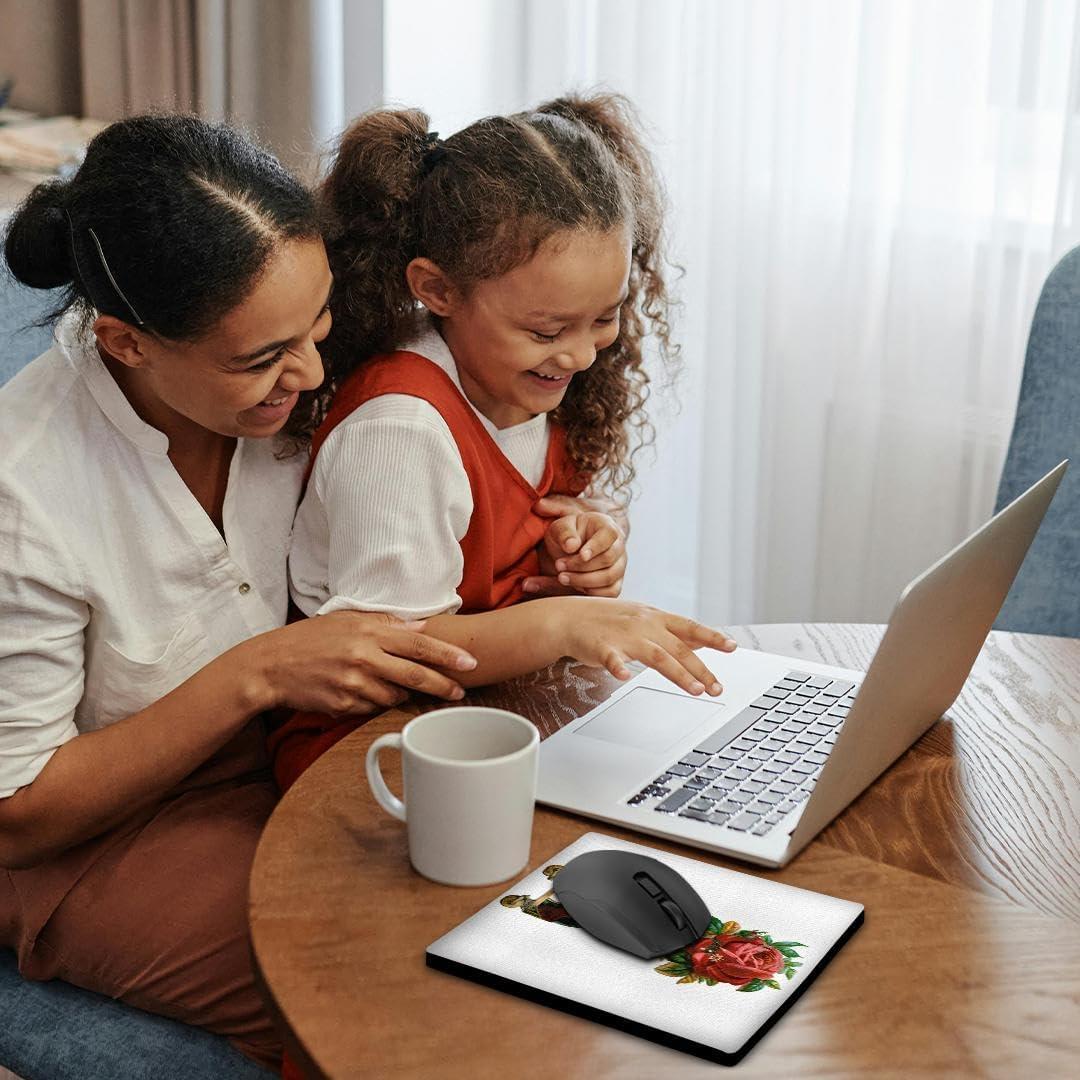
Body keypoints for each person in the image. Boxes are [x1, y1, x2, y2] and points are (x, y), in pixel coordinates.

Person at [0, 114, 477, 1071]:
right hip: (95, 841)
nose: (307, 374)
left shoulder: (294, 384)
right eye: (261, 358)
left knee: (504, 923)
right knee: (388, 995)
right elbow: (19, 810)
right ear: (126, 344)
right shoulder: (28, 490)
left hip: (291, 764)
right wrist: (257, 674)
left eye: (320, 327)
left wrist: (579, 522)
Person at [269, 93, 737, 793]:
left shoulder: (522, 382)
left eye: (604, 319)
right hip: (369, 751)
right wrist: (565, 625)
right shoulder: (399, 431)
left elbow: (525, 520)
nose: (581, 357)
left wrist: (588, 542)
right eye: (548, 331)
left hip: (497, 717)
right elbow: (400, 649)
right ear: (436, 289)